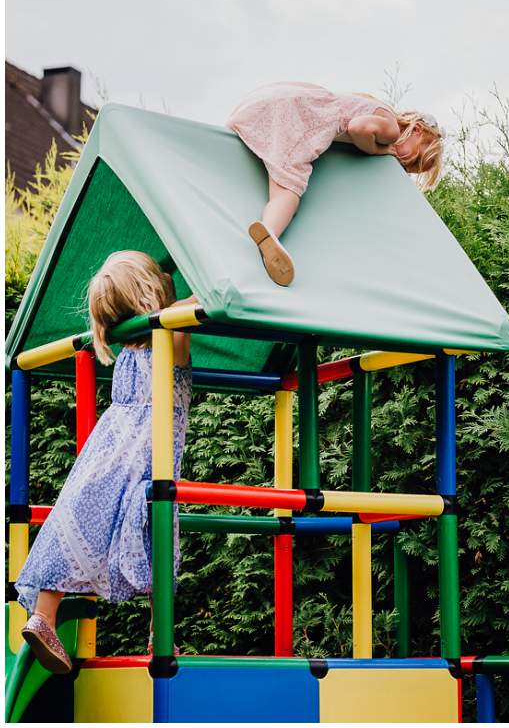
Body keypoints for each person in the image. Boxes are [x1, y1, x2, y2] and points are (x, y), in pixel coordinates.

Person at [17, 251, 193, 673]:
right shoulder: (171, 336)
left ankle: (44, 615)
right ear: (154, 296)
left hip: (106, 451)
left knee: (73, 520)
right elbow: (204, 299)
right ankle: (160, 633)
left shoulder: (127, 349)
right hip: (149, 458)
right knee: (156, 527)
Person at [226, 81, 445, 286]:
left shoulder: (371, 108)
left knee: (281, 186)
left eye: (410, 169)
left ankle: (262, 238)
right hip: (295, 119)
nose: (404, 166)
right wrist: (379, 150)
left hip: (267, 102)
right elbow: (359, 128)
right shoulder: (390, 130)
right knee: (288, 193)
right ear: (416, 130)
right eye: (413, 160)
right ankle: (269, 233)